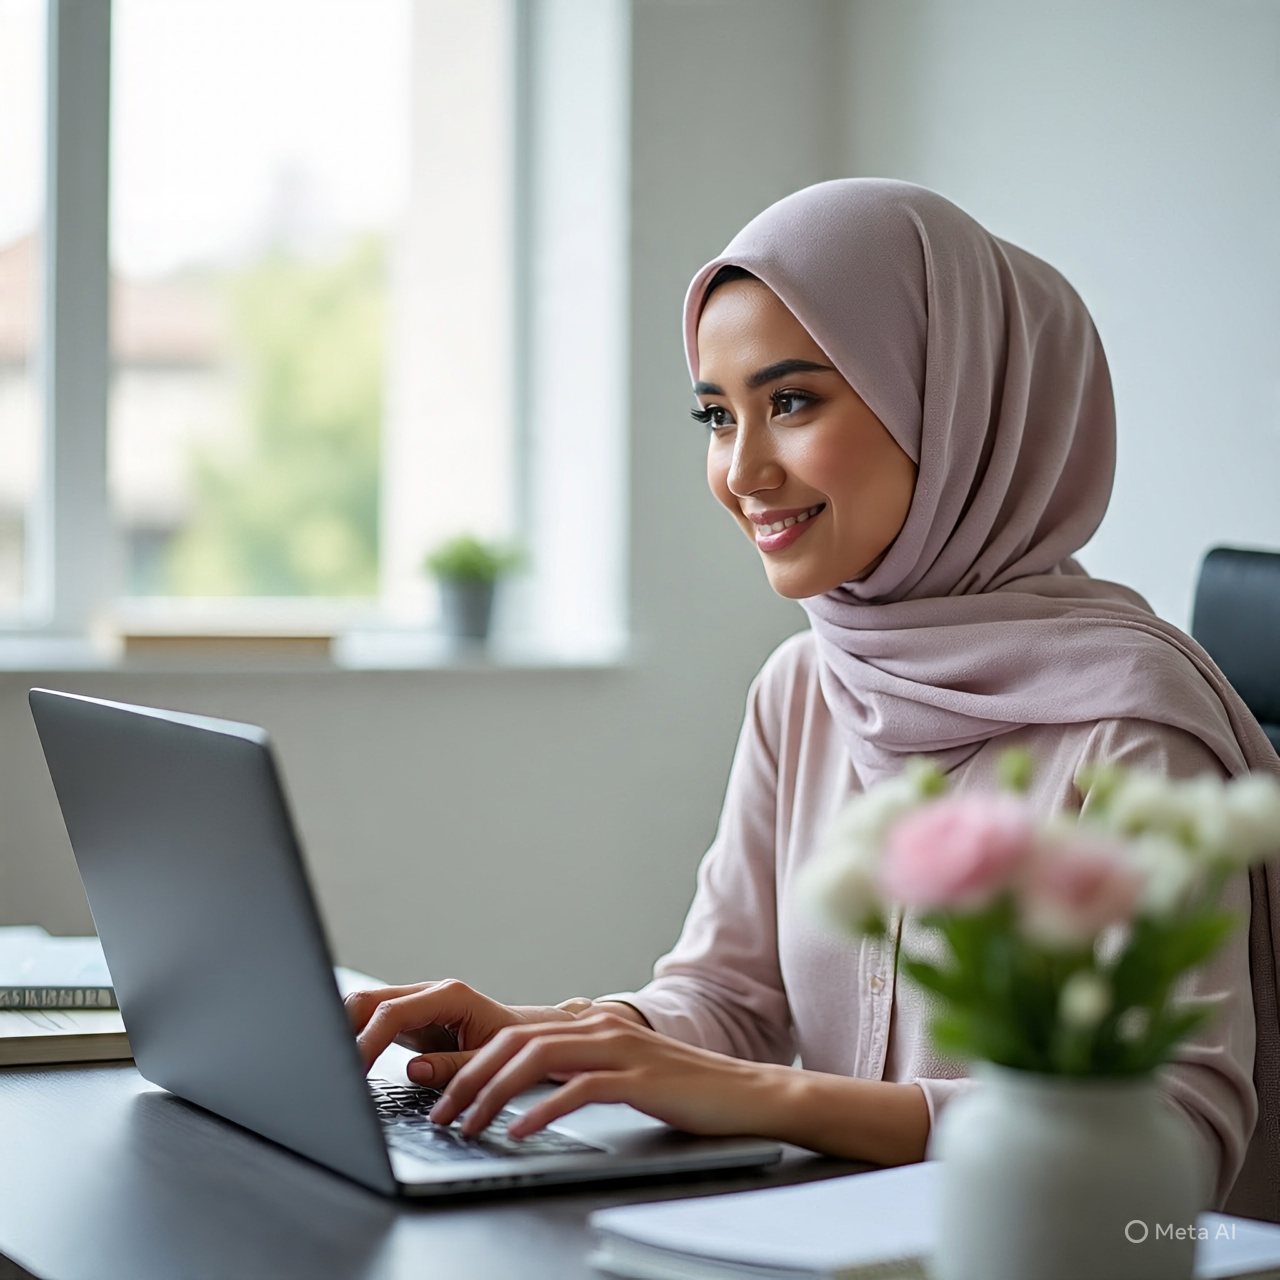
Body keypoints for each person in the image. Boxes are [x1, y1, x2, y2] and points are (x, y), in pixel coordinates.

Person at [348, 180, 1280, 1211]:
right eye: (715, 414)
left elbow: (1168, 1143)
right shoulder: (804, 683)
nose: (742, 469)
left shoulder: (1137, 729)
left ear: (952, 403)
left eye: (790, 400)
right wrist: (577, 1035)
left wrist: (766, 1095)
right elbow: (729, 997)